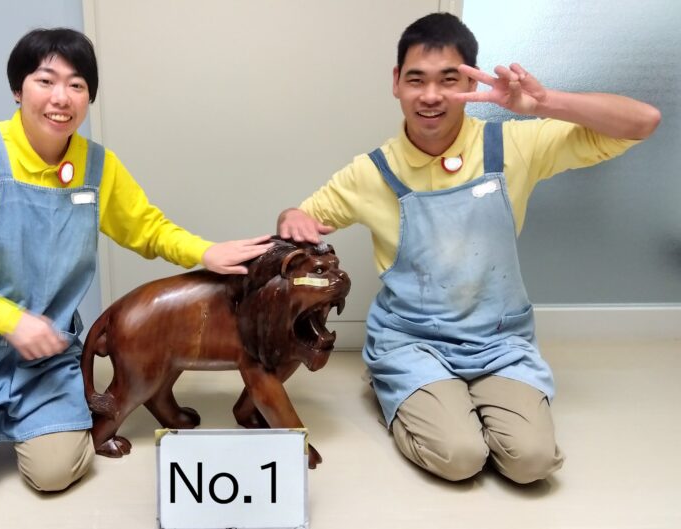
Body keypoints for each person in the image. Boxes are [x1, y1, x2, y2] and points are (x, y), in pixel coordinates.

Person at [0, 27, 271, 519]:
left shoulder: (96, 166)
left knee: (59, 470)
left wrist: (207, 251)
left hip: (43, 359)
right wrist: (10, 321)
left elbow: (147, 228)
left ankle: (23, 419)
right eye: (45, 80)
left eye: (77, 85)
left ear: (89, 97)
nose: (61, 97)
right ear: (18, 89)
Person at [277, 13, 660, 484]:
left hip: (500, 341)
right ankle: (397, 384)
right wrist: (291, 216)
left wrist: (544, 102)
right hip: (412, 342)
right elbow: (299, 220)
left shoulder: (512, 145)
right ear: (396, 83)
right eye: (416, 79)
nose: (431, 95)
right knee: (460, 458)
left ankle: (457, 399)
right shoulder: (371, 172)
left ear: (471, 83)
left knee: (532, 462)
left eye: (448, 80)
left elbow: (643, 122)